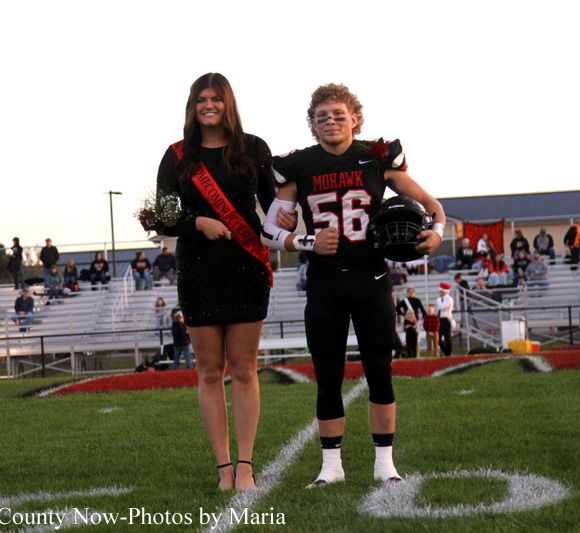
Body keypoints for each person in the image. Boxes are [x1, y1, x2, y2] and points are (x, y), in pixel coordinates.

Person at [260, 82, 446, 487]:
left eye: (338, 115)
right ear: (312, 123)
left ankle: (385, 464)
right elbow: (268, 230)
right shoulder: (299, 165)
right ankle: (331, 468)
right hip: (324, 282)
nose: (330, 121)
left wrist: (436, 232)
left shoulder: (376, 158)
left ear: (355, 119)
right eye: (322, 116)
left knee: (380, 370)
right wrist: (306, 241)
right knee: (327, 375)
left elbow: (432, 206)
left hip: (371, 278)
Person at [151, 73, 282, 491]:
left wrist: (293, 218)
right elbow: (163, 217)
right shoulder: (177, 156)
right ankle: (224, 469)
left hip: (247, 268)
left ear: (229, 103)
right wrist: (198, 222)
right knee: (209, 372)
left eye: (217, 99)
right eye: (201, 99)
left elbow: (274, 206)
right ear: (193, 106)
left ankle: (245, 466)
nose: (209, 105)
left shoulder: (254, 149)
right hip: (198, 271)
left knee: (244, 369)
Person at [435, 283, 454, 356]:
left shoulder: (449, 299)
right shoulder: (441, 299)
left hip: (446, 319)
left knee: (447, 337)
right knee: (438, 338)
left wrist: (439, 300)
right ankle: (446, 351)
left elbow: (442, 307)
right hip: (440, 319)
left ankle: (449, 352)